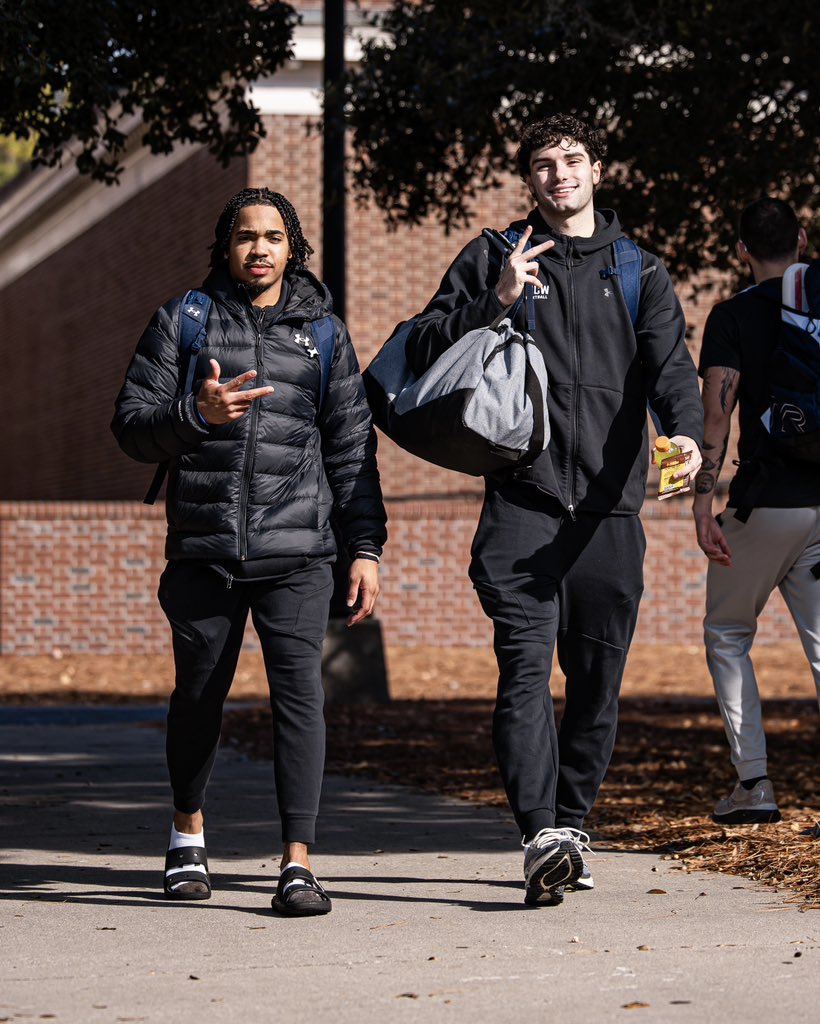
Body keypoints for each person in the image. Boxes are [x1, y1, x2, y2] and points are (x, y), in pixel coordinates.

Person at [404, 113, 703, 907]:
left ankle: (571, 824)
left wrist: (688, 437)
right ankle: (540, 831)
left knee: (597, 686)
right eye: (542, 163)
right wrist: (493, 301)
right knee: (525, 673)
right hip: (522, 504)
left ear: (597, 169)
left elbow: (671, 367)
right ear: (529, 179)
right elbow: (427, 340)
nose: (558, 173)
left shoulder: (640, 268)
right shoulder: (495, 256)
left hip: (610, 514)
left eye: (571, 159)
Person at [112, 188, 387, 916]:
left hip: (299, 552)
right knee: (200, 697)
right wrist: (192, 415)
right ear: (225, 247)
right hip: (205, 551)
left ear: (292, 247)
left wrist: (365, 547)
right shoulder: (184, 321)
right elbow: (132, 426)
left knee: (301, 699)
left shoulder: (324, 335)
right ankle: (187, 836)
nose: (259, 248)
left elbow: (353, 447)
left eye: (272, 236)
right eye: (245, 237)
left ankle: (298, 864)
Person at [693, 197, 820, 824]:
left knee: (728, 633)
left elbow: (716, 417)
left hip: (765, 504)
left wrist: (701, 504)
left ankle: (754, 784)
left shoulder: (732, 317)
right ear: (802, 238)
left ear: (742, 250)